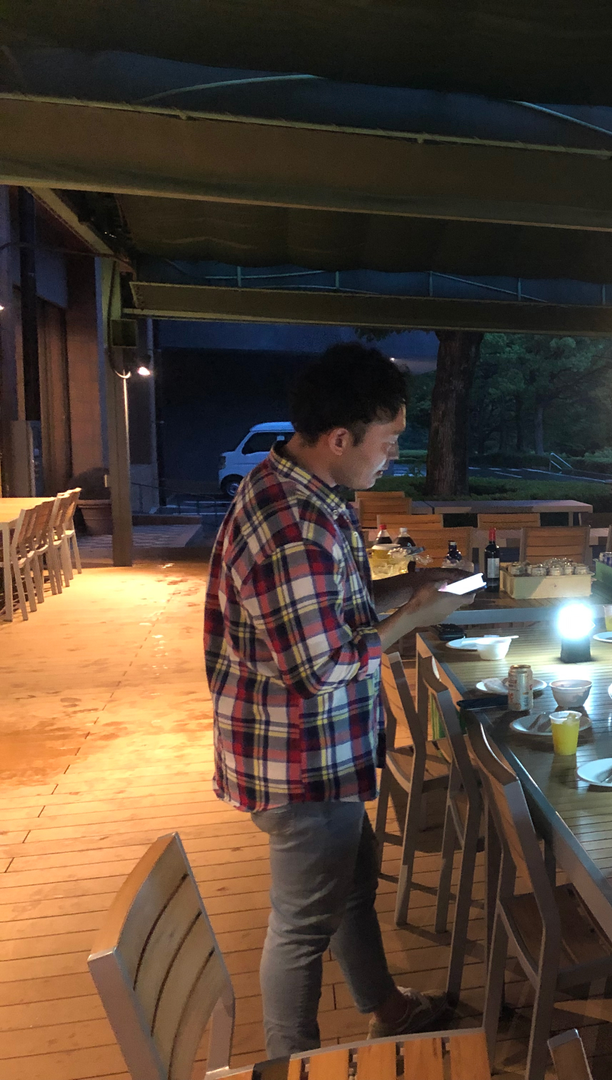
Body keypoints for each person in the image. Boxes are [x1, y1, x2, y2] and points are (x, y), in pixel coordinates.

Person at [205, 343, 470, 1057]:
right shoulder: (293, 525)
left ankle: (388, 1008)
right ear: (341, 438)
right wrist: (414, 616)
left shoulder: (302, 490)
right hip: (299, 759)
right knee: (300, 928)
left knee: (350, 884)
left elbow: (335, 609)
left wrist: (411, 584)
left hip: (311, 750)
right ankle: (289, 1065)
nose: (394, 456)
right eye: (388, 441)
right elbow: (322, 665)